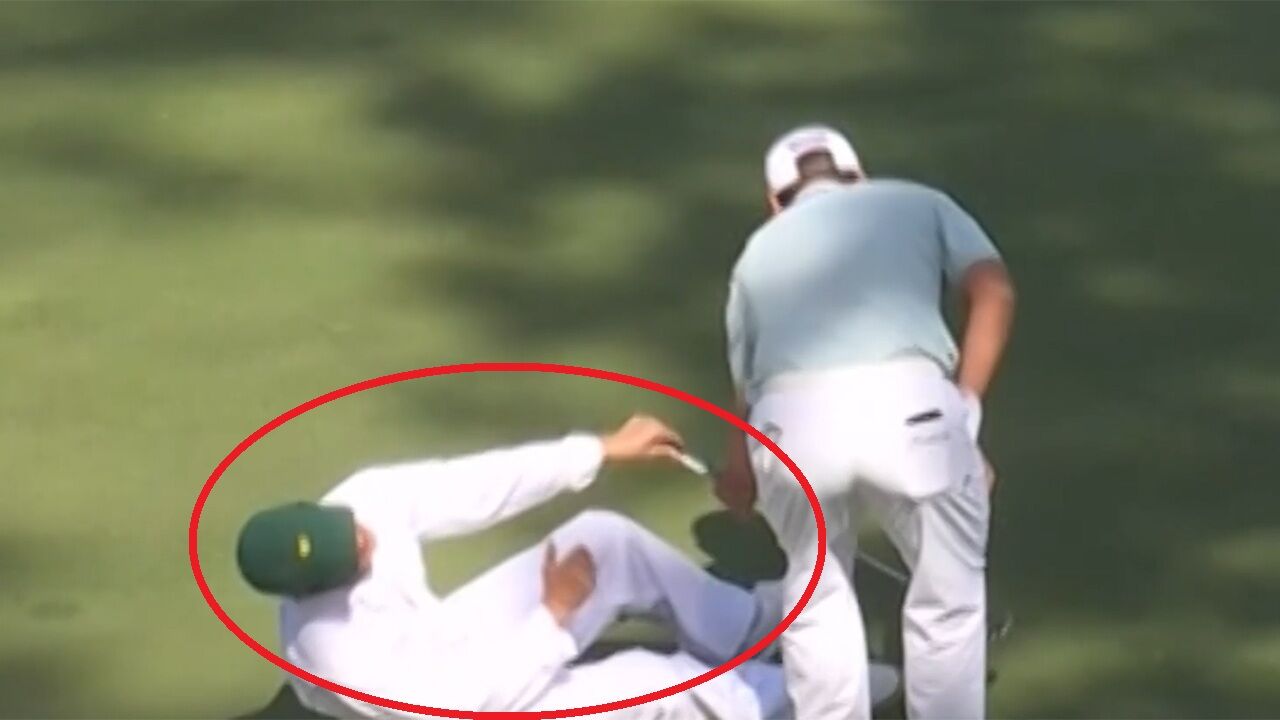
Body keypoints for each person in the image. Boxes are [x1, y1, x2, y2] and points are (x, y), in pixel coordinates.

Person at [714, 123, 1016, 720]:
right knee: (948, 604)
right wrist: (966, 415)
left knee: (815, 595)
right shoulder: (921, 202)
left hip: (791, 430)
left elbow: (745, 398)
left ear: (775, 202)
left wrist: (738, 478)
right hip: (914, 415)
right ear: (859, 177)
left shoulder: (755, 254)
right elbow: (994, 291)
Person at [235, 415, 788, 720]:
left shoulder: (358, 500)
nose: (365, 539)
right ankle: (799, 698)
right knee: (653, 681)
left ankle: (747, 627)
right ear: (308, 591)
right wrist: (553, 615)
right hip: (457, 708)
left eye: (348, 528)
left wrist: (600, 449)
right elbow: (464, 704)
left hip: (444, 643)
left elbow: (471, 484)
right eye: (351, 554)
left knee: (604, 540)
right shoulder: (335, 657)